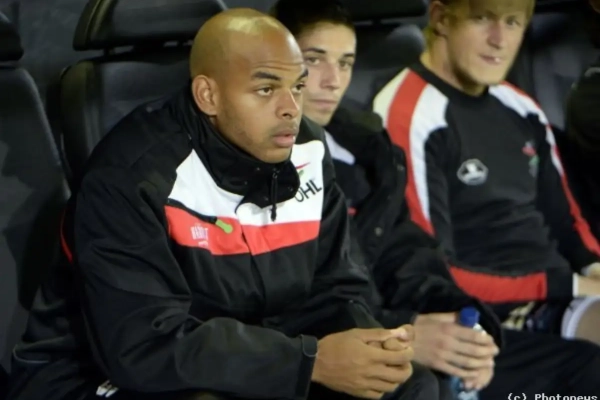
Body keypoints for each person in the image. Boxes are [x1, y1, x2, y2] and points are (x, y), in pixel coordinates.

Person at [7, 9, 437, 400]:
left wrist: (369, 345)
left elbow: (338, 286)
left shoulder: (307, 148)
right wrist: (308, 361)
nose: (291, 109)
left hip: (248, 351)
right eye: (266, 89)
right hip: (92, 372)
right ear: (208, 96)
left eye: (297, 86)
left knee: (408, 386)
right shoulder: (128, 177)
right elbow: (141, 345)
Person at [270, 0, 504, 398]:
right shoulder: (262, 163)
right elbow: (302, 298)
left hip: (384, 325)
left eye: (345, 63)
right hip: (321, 352)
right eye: (314, 60)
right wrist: (403, 330)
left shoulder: (366, 149)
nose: (333, 81)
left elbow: (404, 250)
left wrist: (455, 320)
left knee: (578, 364)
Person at [373, 0, 600, 397]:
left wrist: (594, 269)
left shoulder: (521, 106)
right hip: (482, 316)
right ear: (441, 19)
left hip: (552, 296)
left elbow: (569, 224)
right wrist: (566, 284)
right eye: (482, 20)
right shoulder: (409, 113)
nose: (500, 40)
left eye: (512, 23)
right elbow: (433, 269)